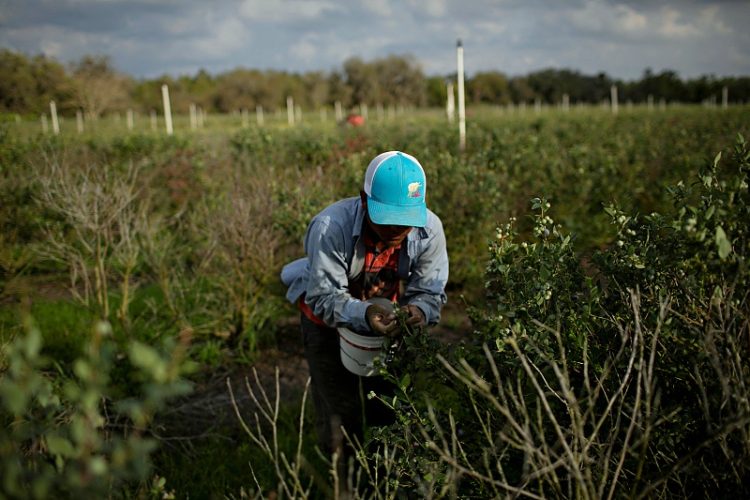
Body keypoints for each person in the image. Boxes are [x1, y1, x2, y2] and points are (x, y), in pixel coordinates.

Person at [280, 150, 449, 459]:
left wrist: (419, 311)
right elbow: (324, 296)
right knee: (339, 413)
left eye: (406, 220)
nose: (398, 230)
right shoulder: (331, 227)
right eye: (388, 220)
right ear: (363, 200)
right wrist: (366, 311)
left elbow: (429, 291)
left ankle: (385, 476)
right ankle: (343, 480)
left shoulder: (429, 230)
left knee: (389, 406)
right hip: (326, 321)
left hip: (385, 322)